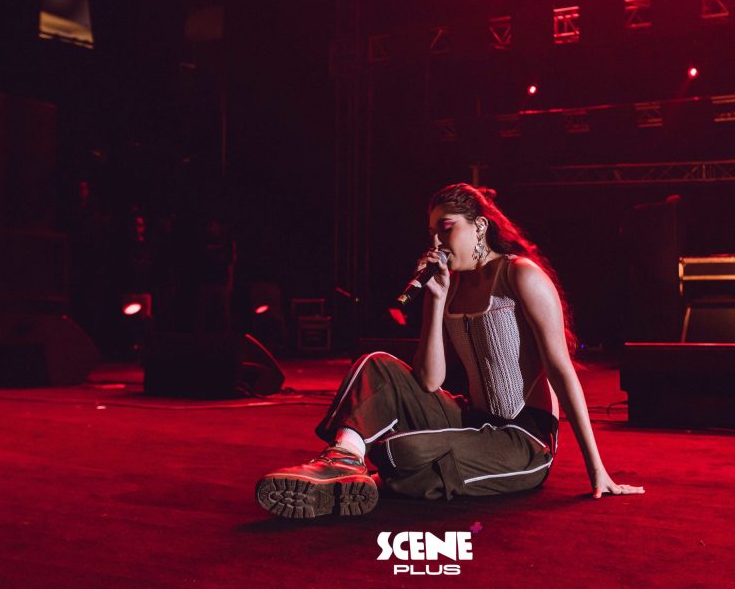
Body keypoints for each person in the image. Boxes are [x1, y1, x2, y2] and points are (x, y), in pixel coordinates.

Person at [255, 183, 643, 519]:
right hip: (471, 419)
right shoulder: (450, 285)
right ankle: (342, 460)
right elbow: (429, 381)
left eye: (446, 228)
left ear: (480, 227)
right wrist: (436, 300)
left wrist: (597, 469)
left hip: (523, 439)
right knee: (377, 364)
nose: (437, 243)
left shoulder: (520, 275)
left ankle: (369, 481)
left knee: (401, 452)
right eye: (432, 234)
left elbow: (561, 372)